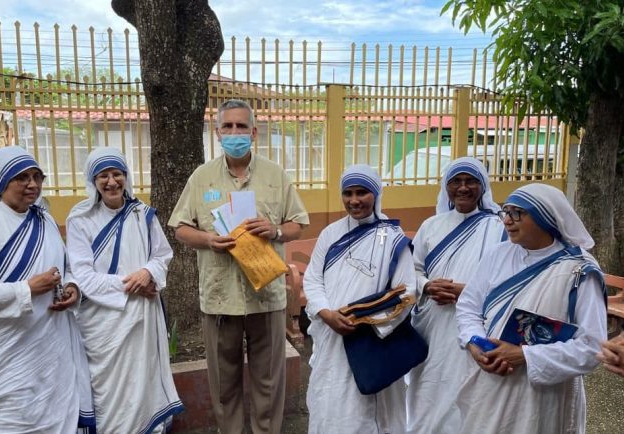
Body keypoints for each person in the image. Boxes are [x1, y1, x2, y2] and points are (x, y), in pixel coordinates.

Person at [168, 99, 309, 434]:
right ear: (217, 133)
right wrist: (209, 240)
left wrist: (274, 230)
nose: (234, 133)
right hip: (220, 297)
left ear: (254, 132)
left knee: (269, 381)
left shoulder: (276, 176)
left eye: (241, 126)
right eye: (227, 127)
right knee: (223, 385)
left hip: (267, 296)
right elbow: (180, 227)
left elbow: (297, 223)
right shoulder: (201, 178)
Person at [0, 146, 95, 433]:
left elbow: (65, 267)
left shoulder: (45, 221)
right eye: (22, 178)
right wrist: (26, 289)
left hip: (46, 360)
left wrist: (72, 287)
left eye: (37, 177)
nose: (33, 185)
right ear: (1, 182)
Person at [455, 183, 607, 434]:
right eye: (506, 212)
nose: (508, 221)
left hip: (542, 398)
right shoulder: (497, 255)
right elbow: (469, 306)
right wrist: (475, 342)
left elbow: (592, 347)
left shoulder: (579, 270)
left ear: (545, 217)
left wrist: (524, 356)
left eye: (518, 213)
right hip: (489, 383)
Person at [66, 147, 183, 433]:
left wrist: (148, 272)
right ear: (93, 181)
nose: (111, 182)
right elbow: (83, 277)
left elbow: (162, 255)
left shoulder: (142, 215)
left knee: (141, 384)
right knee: (106, 393)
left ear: (126, 177)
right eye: (103, 176)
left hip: (141, 320)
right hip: (101, 325)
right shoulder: (79, 219)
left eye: (117, 174)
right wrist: (133, 284)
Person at [303, 164, 416, 434]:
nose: (354, 200)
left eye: (362, 192)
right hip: (331, 340)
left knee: (367, 413)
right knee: (329, 405)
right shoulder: (331, 234)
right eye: (348, 193)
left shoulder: (392, 238)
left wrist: (365, 323)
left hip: (371, 345)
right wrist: (326, 313)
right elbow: (312, 279)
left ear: (376, 194)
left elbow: (407, 293)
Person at [405, 157, 506, 434]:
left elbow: (508, 277)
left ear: (482, 186)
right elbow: (410, 270)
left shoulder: (499, 228)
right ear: (445, 187)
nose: (463, 188)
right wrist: (426, 286)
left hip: (475, 324)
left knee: (467, 392)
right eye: (456, 181)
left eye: (471, 181)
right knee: (428, 388)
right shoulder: (431, 226)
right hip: (432, 327)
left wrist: (468, 292)